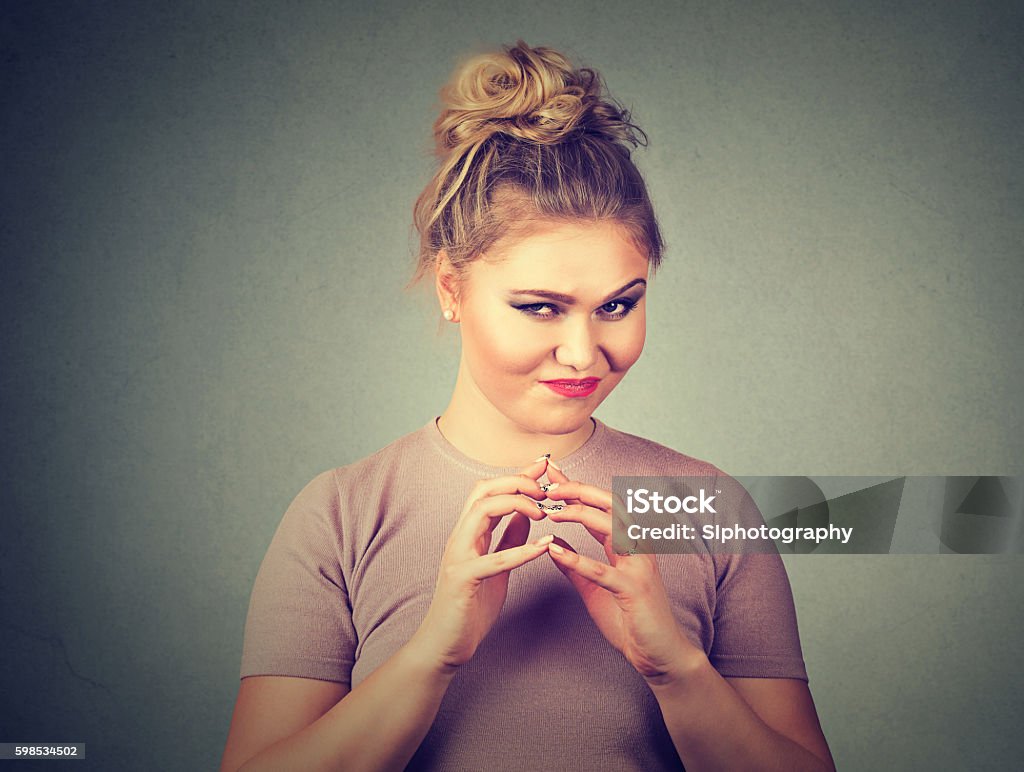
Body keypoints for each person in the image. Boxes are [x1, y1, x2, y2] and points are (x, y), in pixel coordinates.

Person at [220, 40, 836, 771]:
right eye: (541, 307)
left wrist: (676, 668)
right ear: (452, 288)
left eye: (618, 304)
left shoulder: (705, 508)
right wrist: (431, 657)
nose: (583, 353)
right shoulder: (343, 515)